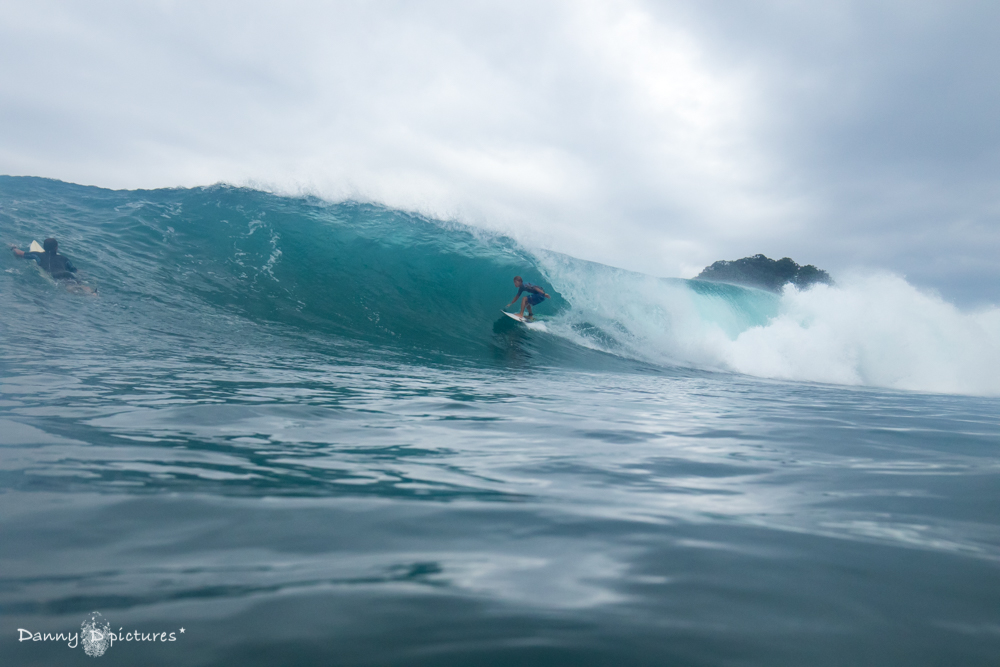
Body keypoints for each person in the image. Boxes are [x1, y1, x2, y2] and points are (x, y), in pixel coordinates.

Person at [10, 238, 95, 294]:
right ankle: (92, 293)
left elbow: (19, 253)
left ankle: (84, 294)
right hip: (68, 274)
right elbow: (74, 270)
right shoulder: (64, 258)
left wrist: (14, 248)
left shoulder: (38, 255)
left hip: (54, 275)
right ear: (56, 248)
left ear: (44, 247)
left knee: (69, 288)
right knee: (79, 285)